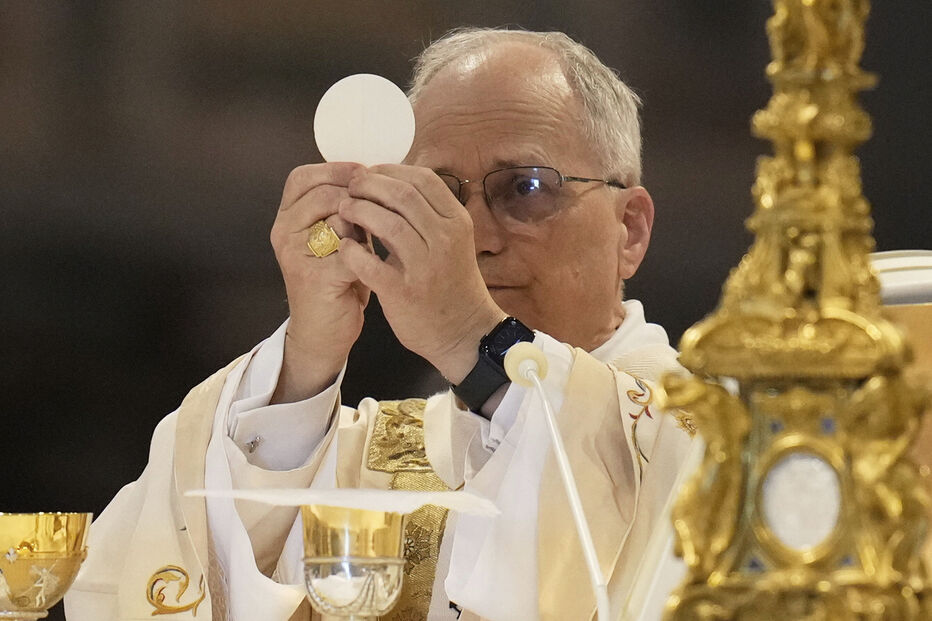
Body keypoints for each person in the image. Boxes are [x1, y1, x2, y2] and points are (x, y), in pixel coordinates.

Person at [65, 27, 694, 621]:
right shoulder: (369, 455)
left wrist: (472, 341)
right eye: (437, 196)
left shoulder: (719, 437)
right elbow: (171, 554)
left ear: (629, 230)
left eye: (526, 188)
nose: (468, 236)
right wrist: (306, 361)